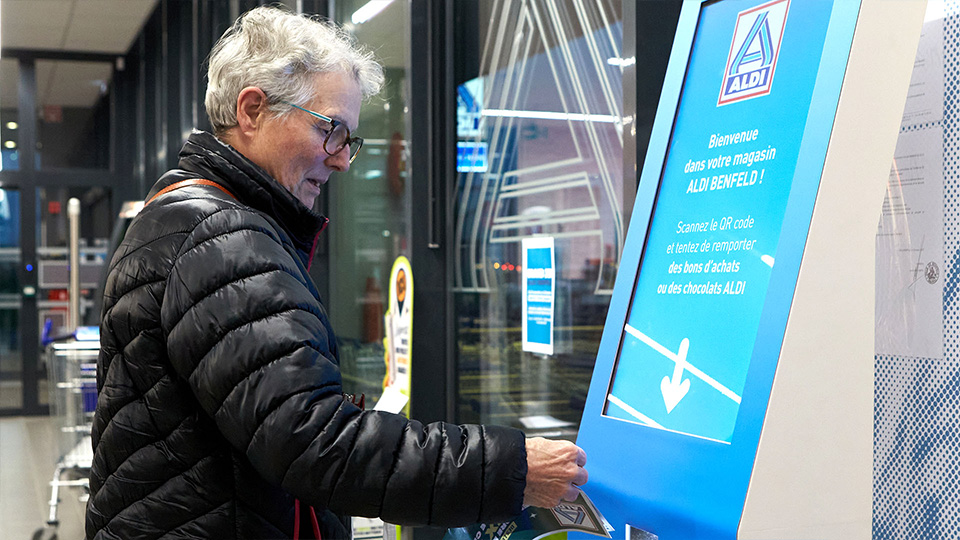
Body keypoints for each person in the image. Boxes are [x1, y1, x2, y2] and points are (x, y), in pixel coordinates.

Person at [86, 7, 588, 540]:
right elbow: (312, 440)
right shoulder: (220, 237)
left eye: (350, 139)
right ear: (253, 110)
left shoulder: (189, 217)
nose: (344, 160)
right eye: (332, 131)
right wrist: (512, 469)